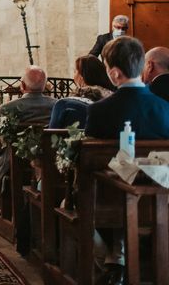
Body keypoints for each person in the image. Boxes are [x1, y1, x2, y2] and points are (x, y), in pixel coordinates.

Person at [85, 37, 169, 285]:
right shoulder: (165, 108)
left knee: (76, 201)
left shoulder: (99, 110)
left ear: (113, 73)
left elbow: (92, 159)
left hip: (110, 200)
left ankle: (111, 262)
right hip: (161, 197)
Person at [0, 66, 57, 232]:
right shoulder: (56, 105)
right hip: (47, 161)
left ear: (22, 86)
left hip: (14, 162)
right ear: (45, 85)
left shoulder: (8, 108)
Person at [48, 55, 114, 129]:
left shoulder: (70, 102)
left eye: (75, 71)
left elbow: (52, 132)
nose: (74, 76)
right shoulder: (112, 96)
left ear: (82, 76)